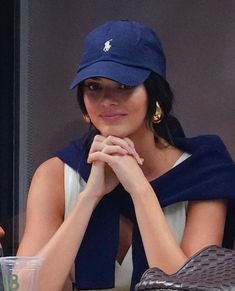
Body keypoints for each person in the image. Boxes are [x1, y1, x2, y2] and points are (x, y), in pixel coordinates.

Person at [17, 20, 235, 291]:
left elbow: (190, 288)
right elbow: (24, 287)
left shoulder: (203, 174)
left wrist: (139, 188)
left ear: (155, 96)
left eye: (124, 85)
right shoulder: (55, 175)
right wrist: (89, 197)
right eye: (94, 87)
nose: (107, 100)